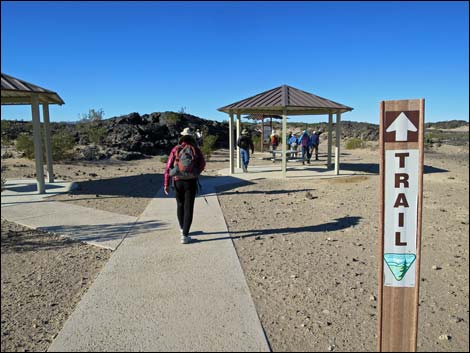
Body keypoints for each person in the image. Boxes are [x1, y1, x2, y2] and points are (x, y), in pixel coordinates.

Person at [164, 127, 206, 244]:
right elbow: (202, 164)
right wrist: (196, 172)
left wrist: (166, 183)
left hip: (177, 181)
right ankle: (185, 235)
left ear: (182, 137)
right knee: (189, 207)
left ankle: (182, 229)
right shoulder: (195, 149)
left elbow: (168, 167)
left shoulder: (176, 149)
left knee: (180, 205)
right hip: (191, 182)